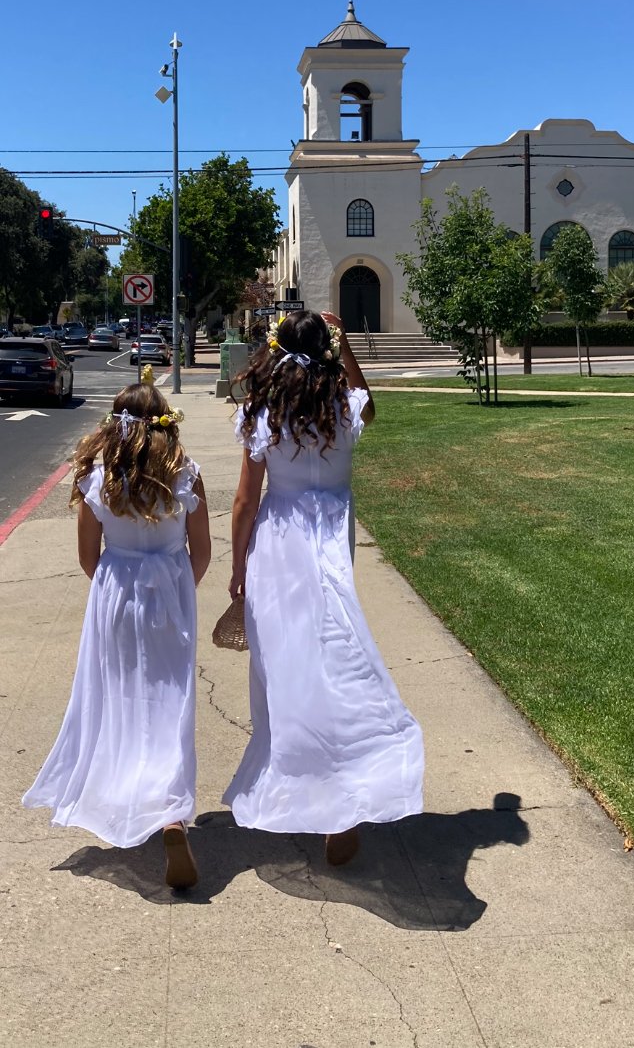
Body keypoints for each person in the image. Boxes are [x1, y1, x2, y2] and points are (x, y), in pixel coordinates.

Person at [224, 310, 424, 865]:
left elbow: (245, 500)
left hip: (280, 538)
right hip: (332, 534)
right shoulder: (341, 406)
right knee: (333, 657)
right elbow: (369, 403)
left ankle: (307, 783)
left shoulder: (264, 411)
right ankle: (342, 793)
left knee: (286, 666)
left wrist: (237, 568)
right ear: (328, 352)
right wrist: (346, 346)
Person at [22, 384, 211, 890]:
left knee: (121, 698)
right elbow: (201, 552)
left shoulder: (97, 478)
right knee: (171, 701)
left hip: (117, 593)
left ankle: (132, 794)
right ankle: (171, 814)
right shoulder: (186, 473)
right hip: (171, 591)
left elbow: (89, 556)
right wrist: (178, 590)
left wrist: (116, 588)